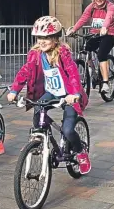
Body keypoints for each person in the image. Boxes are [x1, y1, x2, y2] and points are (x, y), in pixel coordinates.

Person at [8, 16, 91, 174]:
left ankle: (81, 152)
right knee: (38, 112)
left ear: (55, 39)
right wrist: (14, 90)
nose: (42, 41)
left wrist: (74, 94)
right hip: (52, 93)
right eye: (40, 37)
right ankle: (40, 139)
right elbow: (25, 71)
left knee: (67, 130)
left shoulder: (63, 54)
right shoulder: (36, 54)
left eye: (46, 37)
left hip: (68, 95)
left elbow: (73, 74)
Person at [66, 0, 114, 94]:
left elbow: (109, 16)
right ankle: (92, 72)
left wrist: (104, 27)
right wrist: (73, 30)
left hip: (109, 34)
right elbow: (83, 18)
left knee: (101, 54)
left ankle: (105, 82)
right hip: (95, 34)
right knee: (85, 48)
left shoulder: (110, 6)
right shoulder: (91, 6)